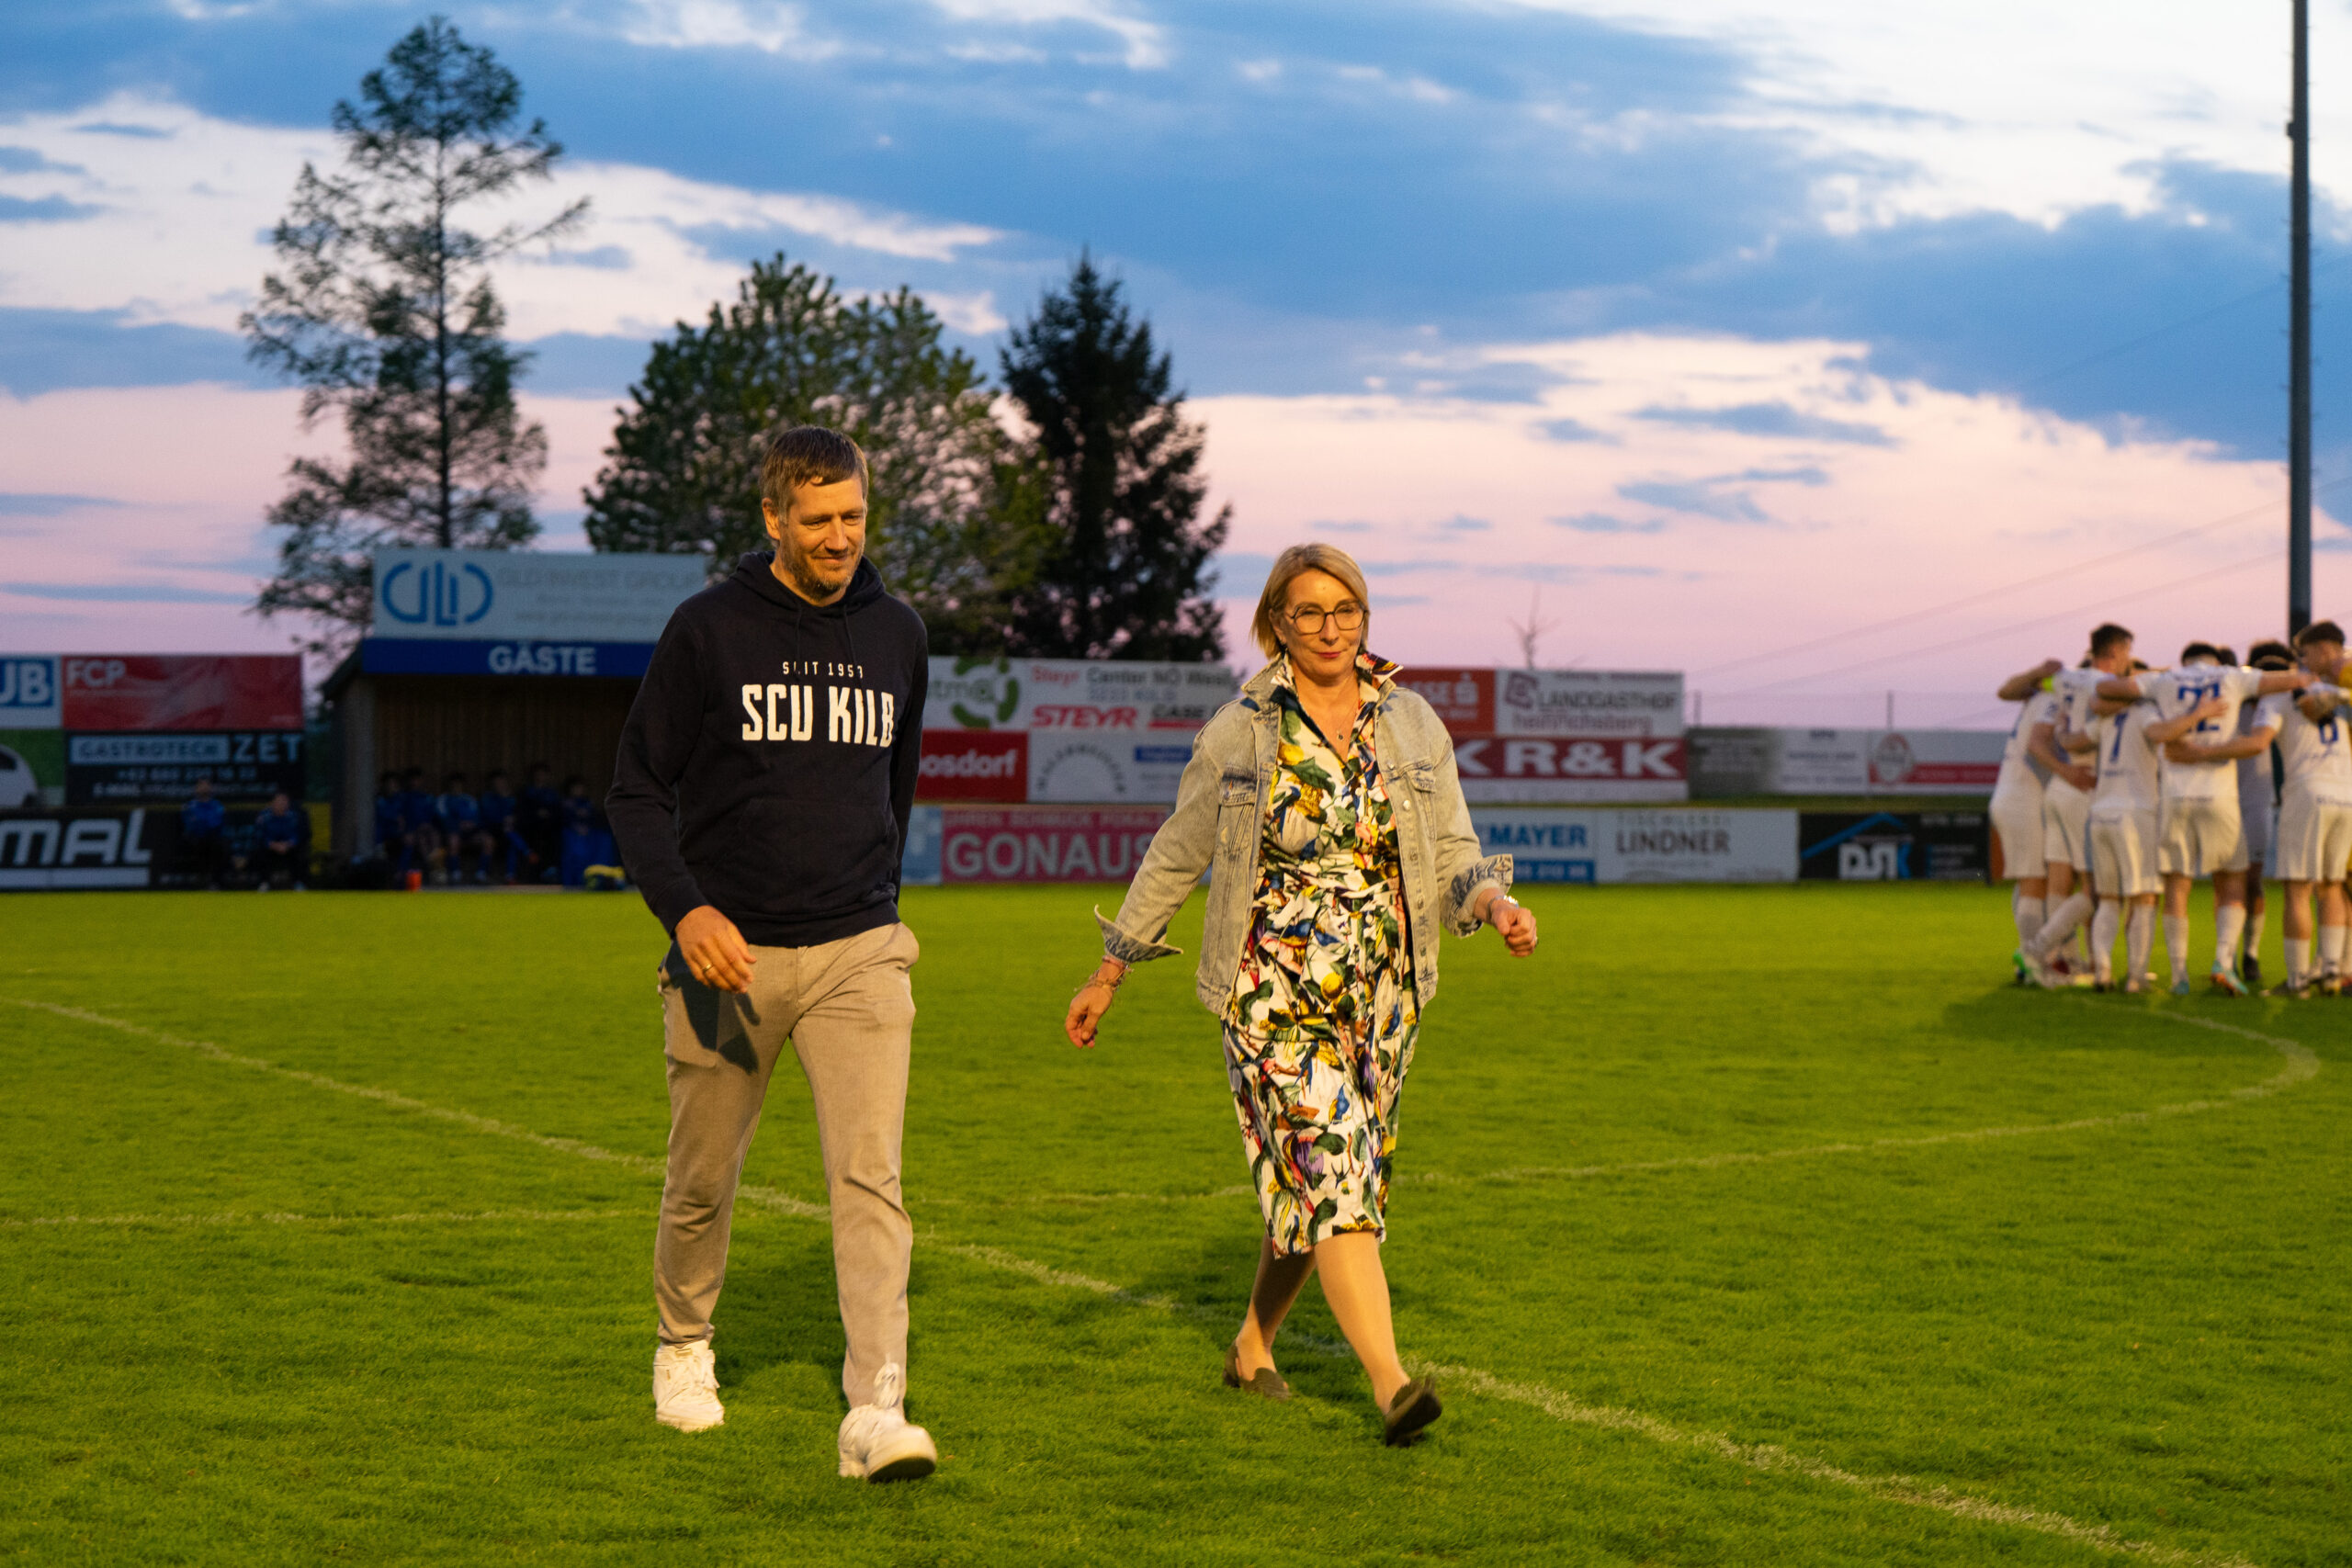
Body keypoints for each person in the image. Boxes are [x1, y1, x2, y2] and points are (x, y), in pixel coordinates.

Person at [1066, 543, 1539, 1448]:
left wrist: (1493, 902)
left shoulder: (1410, 722)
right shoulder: (1241, 731)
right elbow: (1176, 854)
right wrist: (1110, 969)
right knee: (1333, 1168)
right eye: (1308, 612)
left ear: (1364, 616)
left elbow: (1451, 848)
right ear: (1276, 624)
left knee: (1319, 1183)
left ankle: (1252, 1345)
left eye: (1345, 609)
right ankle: (1392, 1386)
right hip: (1271, 994)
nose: (1330, 628)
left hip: (1385, 997)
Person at [607, 424, 933, 1482]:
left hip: (859, 951)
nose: (840, 537)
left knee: (871, 1180)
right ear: (774, 518)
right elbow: (635, 791)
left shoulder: (899, 634)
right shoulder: (708, 628)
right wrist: (686, 913)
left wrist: (874, 906)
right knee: (702, 1178)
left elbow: (892, 791)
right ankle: (682, 1345)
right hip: (726, 959)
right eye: (819, 518)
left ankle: (877, 1408)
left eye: (855, 516)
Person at [2100, 646, 2301, 994]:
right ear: (2216, 662)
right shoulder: (2232, 677)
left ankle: (2179, 974)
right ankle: (2223, 961)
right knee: (2233, 880)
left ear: (2185, 660)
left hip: (2175, 795)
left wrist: (2154, 672)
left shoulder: (2164, 680)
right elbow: (2293, 679)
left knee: (2177, 886)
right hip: (2219, 794)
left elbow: (2107, 688)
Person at [2074, 681, 2224, 990]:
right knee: (2143, 896)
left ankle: (2103, 970)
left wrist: (2062, 727)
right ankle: (2136, 976)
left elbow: (2075, 741)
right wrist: (2199, 714)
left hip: (2101, 811)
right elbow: (2160, 733)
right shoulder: (2144, 711)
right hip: (2135, 811)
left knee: (2109, 899)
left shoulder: (2108, 717)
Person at [2022, 626, 2133, 981]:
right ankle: (2038, 949)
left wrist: (2064, 770)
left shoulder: (2064, 682)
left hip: (2060, 787)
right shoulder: (2104, 684)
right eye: (2128, 652)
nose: (2129, 660)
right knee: (2095, 889)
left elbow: (2036, 741)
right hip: (2085, 787)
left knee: (2059, 881)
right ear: (2115, 651)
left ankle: (2068, 963)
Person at [2261, 622, 2352, 993]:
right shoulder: (2341, 687)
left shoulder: (2290, 690)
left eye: (2306, 652)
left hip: (2309, 791)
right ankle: (2332, 972)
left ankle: (2298, 978)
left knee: (2298, 888)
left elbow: (2307, 708)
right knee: (2333, 885)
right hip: (2345, 793)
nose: (2302, 660)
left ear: (2323, 649)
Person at [1990, 658, 2061, 978]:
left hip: (2014, 794)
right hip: (2023, 797)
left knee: (2032, 879)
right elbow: (2036, 747)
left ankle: (2033, 956)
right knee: (2035, 881)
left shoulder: (2039, 695)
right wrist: (2069, 772)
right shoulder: (2053, 698)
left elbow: (2007, 690)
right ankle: (2033, 962)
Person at [2233, 639, 2296, 984]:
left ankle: (2250, 954)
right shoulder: (2234, 705)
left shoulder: (2287, 709)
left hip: (2259, 800)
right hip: (2227, 799)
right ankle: (2225, 955)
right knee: (2229, 882)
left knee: (2253, 881)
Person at [246, 791, 311, 890]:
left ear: (288, 803)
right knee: (259, 852)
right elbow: (260, 836)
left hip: (289, 848)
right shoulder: (264, 817)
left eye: (284, 801)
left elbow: (298, 835)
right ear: (272, 803)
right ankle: (264, 883)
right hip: (270, 848)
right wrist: (273, 845)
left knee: (301, 852)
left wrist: (287, 844)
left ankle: (298, 883)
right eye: (279, 801)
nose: (281, 804)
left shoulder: (294, 817)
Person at [435, 771, 489, 884]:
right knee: (453, 840)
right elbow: (443, 819)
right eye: (454, 785)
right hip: (452, 832)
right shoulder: (443, 799)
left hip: (470, 833)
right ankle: (455, 874)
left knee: (488, 841)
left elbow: (478, 818)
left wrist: (472, 824)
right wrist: (458, 825)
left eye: (458, 785)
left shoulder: (469, 800)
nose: (456, 787)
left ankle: (481, 874)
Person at [178, 775, 229, 890]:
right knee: (191, 842)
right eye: (201, 785)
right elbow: (191, 825)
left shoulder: (217, 806)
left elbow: (217, 824)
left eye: (207, 785)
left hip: (213, 839)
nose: (204, 788)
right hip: (196, 839)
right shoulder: (189, 806)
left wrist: (203, 823)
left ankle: (215, 883)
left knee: (220, 844)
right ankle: (195, 882)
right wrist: (203, 824)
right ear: (196, 788)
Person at [518, 763, 563, 883]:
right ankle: (534, 876)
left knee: (555, 838)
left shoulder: (552, 793)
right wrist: (536, 813)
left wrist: (548, 814)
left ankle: (551, 870)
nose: (540, 777)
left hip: (550, 828)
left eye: (543, 774)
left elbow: (558, 811)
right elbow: (522, 811)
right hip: (531, 828)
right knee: (534, 844)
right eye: (538, 774)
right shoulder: (526, 792)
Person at [480, 770, 522, 883]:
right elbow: (489, 817)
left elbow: (519, 815)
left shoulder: (513, 798)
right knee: (488, 842)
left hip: (508, 832)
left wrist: (512, 819)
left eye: (501, 782)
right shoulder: (487, 798)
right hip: (491, 830)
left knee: (512, 840)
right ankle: (482, 873)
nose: (499, 785)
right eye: (496, 783)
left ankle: (510, 875)